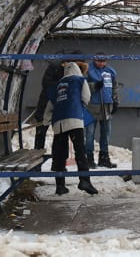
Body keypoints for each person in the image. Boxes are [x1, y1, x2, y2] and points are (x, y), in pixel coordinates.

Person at [43, 62, 98, 195]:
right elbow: (86, 97)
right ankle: (84, 180)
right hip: (74, 120)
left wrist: (46, 121)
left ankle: (60, 185)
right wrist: (79, 107)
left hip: (58, 124)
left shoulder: (57, 85)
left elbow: (49, 107)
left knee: (59, 154)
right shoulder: (79, 80)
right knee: (80, 151)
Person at [33, 50, 84, 149]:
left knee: (61, 133)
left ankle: (59, 158)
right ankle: (38, 153)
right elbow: (46, 83)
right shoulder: (56, 67)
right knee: (42, 129)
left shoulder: (76, 71)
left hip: (63, 105)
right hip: (47, 102)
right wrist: (63, 85)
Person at [85, 53, 119, 168]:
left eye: (104, 61)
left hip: (106, 106)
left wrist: (115, 101)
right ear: (94, 60)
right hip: (92, 107)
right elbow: (82, 86)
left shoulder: (111, 72)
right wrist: (94, 86)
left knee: (106, 134)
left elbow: (114, 87)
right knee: (90, 134)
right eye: (99, 61)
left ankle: (104, 158)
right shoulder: (88, 70)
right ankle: (88, 158)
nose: (102, 63)